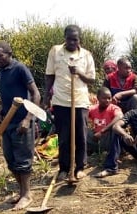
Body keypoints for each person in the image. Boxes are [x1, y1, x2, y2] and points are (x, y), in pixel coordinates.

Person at [43, 24, 96, 181]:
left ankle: (79, 168)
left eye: (75, 39)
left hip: (80, 101)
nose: (72, 42)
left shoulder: (86, 55)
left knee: (81, 135)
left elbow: (91, 80)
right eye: (69, 39)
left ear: (80, 39)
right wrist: (46, 96)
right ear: (64, 38)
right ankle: (64, 169)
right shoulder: (55, 51)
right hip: (60, 100)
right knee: (64, 137)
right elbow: (49, 75)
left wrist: (78, 72)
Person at [0, 41, 41, 210]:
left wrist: (28, 119)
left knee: (23, 160)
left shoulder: (20, 68)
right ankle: (22, 192)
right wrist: (1, 112)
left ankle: (26, 195)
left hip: (22, 121)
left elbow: (36, 94)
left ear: (9, 53)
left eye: (0, 55)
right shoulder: (1, 71)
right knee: (10, 159)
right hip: (8, 121)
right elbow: (7, 95)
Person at [93, 93, 137, 183]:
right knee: (118, 134)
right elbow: (116, 126)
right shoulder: (133, 113)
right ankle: (111, 168)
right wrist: (125, 135)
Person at [87, 86, 123, 156]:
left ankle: (113, 153)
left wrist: (102, 131)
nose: (107, 100)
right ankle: (90, 150)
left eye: (109, 98)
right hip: (96, 139)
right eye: (104, 98)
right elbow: (83, 116)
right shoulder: (93, 108)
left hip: (108, 138)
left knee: (115, 128)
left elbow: (120, 116)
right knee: (82, 129)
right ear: (98, 98)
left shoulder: (113, 108)